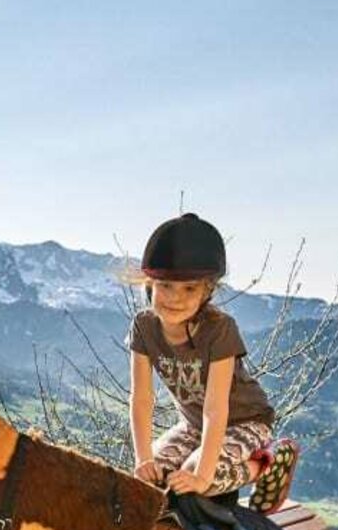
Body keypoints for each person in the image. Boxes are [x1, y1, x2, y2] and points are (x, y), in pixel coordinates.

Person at [125, 212, 298, 513]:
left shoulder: (219, 330)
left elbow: (215, 409)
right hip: (192, 425)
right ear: (150, 282)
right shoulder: (144, 326)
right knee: (149, 483)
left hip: (246, 421)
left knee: (192, 476)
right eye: (165, 285)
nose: (174, 298)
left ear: (208, 289)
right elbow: (141, 398)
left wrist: (203, 476)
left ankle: (265, 465)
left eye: (189, 288)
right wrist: (143, 460)